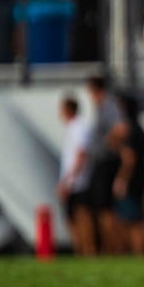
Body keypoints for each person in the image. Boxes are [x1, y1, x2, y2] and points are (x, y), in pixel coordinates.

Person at [85, 75, 128, 254]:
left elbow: (120, 130)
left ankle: (113, 249)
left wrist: (107, 144)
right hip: (104, 161)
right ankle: (111, 248)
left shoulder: (108, 105)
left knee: (106, 210)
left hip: (106, 161)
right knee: (104, 209)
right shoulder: (103, 106)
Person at [56, 94, 95, 256]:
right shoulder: (74, 127)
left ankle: (87, 250)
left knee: (81, 216)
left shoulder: (79, 127)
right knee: (74, 217)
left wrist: (68, 181)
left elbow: (80, 154)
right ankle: (80, 249)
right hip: (75, 179)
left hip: (77, 181)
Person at [114, 95, 144, 256]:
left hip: (131, 181)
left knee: (132, 222)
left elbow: (129, 159)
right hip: (139, 180)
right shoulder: (139, 130)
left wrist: (121, 180)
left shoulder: (131, 132)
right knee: (136, 220)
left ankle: (138, 253)